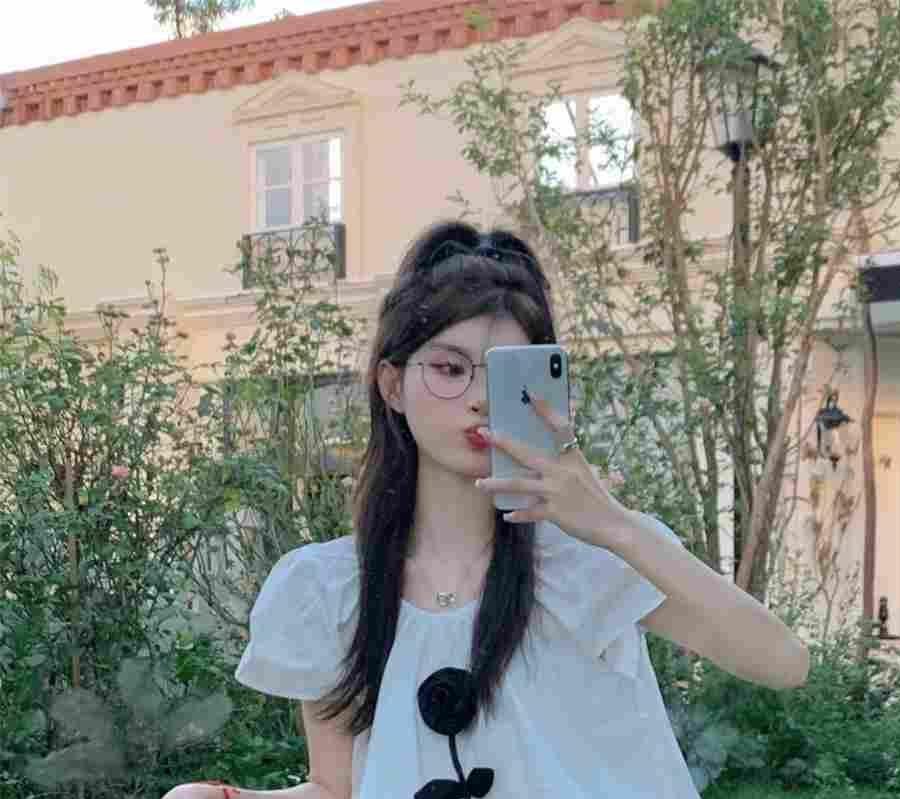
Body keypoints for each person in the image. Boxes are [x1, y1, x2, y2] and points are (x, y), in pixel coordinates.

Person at [163, 220, 810, 799]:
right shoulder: (329, 590)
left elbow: (782, 662)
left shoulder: (588, 560)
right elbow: (338, 788)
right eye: (450, 369)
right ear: (393, 385)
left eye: (503, 375)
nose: (479, 398)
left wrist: (612, 522)